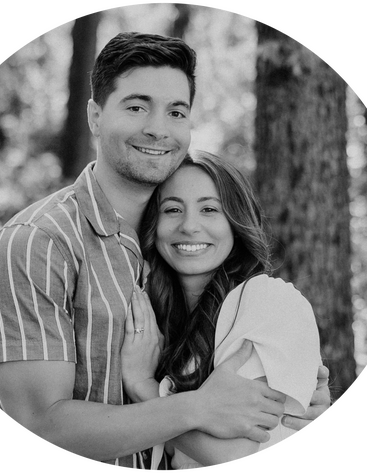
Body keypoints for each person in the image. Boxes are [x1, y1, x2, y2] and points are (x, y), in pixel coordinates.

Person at [0, 32, 329, 471]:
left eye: (176, 112)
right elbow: (40, 428)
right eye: (137, 107)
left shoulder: (180, 252)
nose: (158, 128)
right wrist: (193, 407)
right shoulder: (38, 243)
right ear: (95, 116)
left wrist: (293, 382)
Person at [121, 151, 324, 470]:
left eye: (209, 209)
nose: (189, 226)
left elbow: (233, 456)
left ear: (236, 222)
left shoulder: (267, 300)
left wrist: (141, 386)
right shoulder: (161, 319)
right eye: (172, 209)